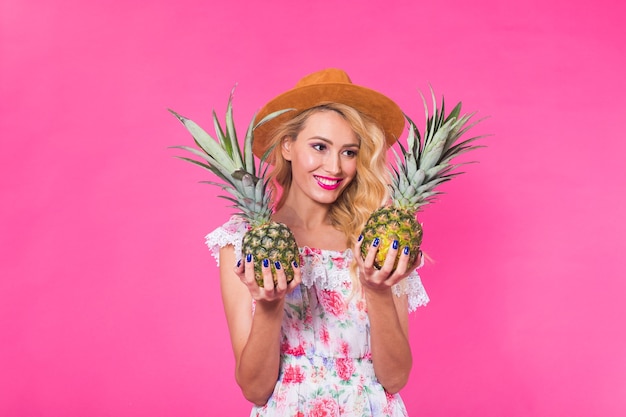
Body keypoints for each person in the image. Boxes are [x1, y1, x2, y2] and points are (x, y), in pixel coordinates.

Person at [205, 68, 429, 416]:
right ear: (288, 146)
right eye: (320, 147)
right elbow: (255, 389)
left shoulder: (375, 239)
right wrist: (269, 305)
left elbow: (395, 378)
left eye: (349, 152)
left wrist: (378, 290)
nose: (335, 167)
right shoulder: (244, 242)